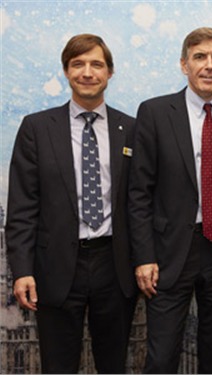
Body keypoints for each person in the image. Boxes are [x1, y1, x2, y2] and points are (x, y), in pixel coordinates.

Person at [6, 34, 137, 374]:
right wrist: (21, 270)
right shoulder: (36, 128)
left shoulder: (132, 130)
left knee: (113, 365)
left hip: (116, 266)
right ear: (66, 71)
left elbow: (142, 202)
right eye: (78, 64)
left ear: (110, 72)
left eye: (96, 64)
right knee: (58, 366)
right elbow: (22, 207)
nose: (87, 72)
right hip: (56, 268)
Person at [128, 27, 212, 374]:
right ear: (184, 64)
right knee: (162, 356)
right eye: (200, 57)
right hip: (170, 253)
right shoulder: (155, 113)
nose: (209, 65)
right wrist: (143, 256)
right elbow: (139, 192)